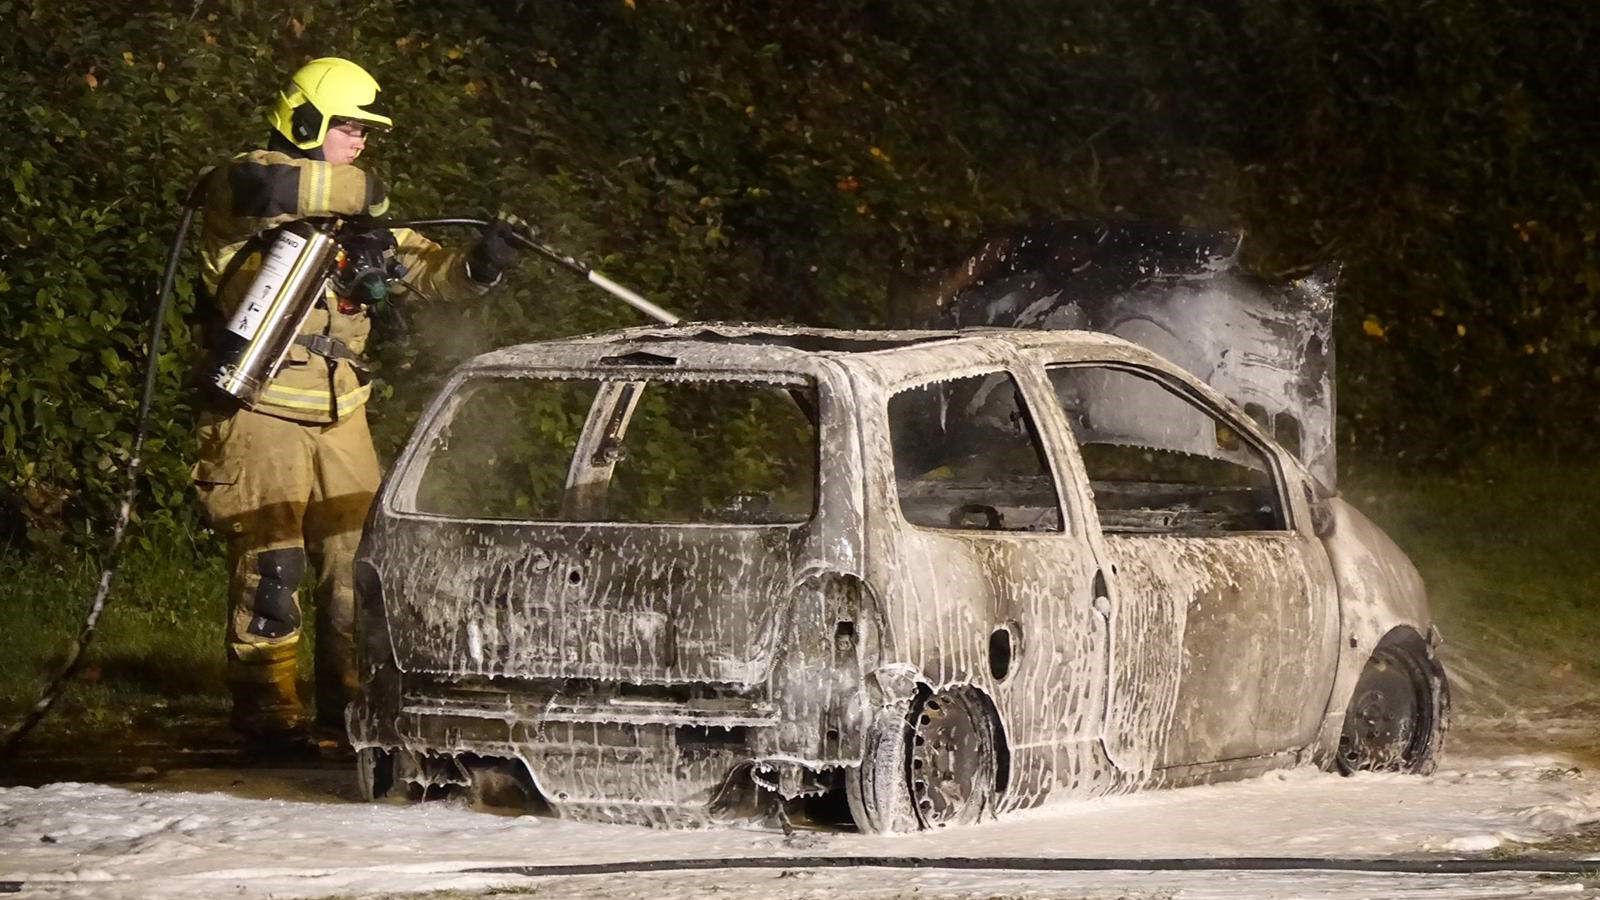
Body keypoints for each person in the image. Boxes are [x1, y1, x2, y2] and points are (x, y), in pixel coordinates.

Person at [191, 57, 520, 754]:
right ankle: (268, 716)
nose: (361, 140)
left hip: (341, 409)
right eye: (347, 125)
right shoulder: (242, 187)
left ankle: (349, 706)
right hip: (258, 407)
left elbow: (431, 274)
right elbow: (287, 183)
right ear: (305, 120)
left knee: (354, 561)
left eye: (366, 130)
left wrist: (480, 265)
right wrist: (365, 202)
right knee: (272, 564)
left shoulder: (360, 221)